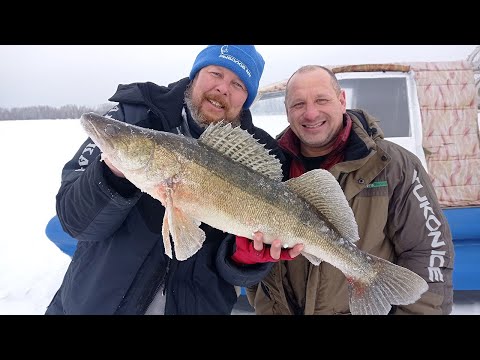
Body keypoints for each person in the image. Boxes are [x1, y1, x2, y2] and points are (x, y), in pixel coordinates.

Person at [44, 45, 303, 315]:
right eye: (216, 73)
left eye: (238, 84)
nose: (223, 88)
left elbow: (237, 276)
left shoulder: (263, 153)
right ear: (196, 74)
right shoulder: (134, 117)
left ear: (247, 98)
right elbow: (74, 221)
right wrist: (112, 174)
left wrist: (244, 260)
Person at [245, 65, 454, 315]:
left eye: (321, 100)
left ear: (341, 100)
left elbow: (428, 251)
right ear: (287, 111)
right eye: (298, 104)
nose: (311, 113)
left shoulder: (396, 166)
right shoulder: (269, 167)